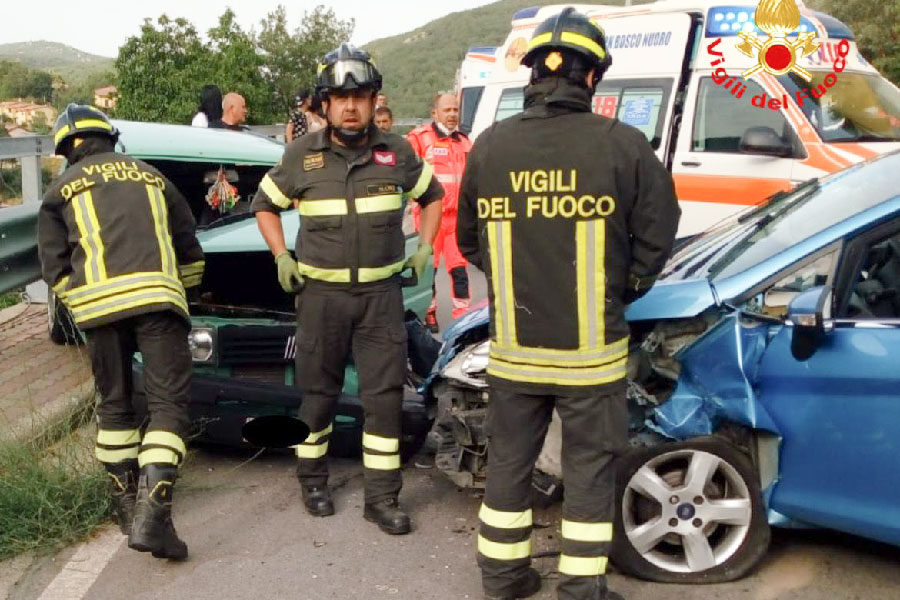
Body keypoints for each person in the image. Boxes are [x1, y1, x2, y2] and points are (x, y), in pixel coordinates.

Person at [457, 9, 680, 600]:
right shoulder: (626, 147)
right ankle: (581, 587)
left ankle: (503, 579)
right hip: (591, 357)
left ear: (533, 74)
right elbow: (659, 237)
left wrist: (519, 283)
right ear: (592, 78)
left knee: (507, 463)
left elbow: (469, 242)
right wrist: (620, 291)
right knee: (588, 469)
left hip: (513, 352)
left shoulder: (489, 147)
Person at [251, 43, 443, 536]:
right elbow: (265, 206)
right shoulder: (301, 156)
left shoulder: (397, 152)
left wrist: (425, 249)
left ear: (374, 99)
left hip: (381, 300)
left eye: (360, 96)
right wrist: (281, 256)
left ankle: (382, 498)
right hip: (320, 300)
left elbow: (434, 197)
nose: (351, 106)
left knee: (383, 399)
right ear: (324, 104)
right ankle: (312, 481)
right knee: (317, 395)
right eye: (340, 97)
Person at [38, 104, 205, 560]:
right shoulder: (153, 176)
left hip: (99, 310)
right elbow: (189, 247)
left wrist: (85, 301)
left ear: (66, 149)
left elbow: (54, 267)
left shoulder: (58, 190)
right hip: (157, 301)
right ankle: (156, 517)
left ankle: (126, 508)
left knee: (114, 406)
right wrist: (183, 294)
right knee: (168, 404)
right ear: (110, 138)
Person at [407, 93, 472, 331]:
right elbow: (404, 171)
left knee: (459, 269)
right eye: (447, 110)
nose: (452, 114)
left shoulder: (465, 142)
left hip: (457, 218)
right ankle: (429, 312)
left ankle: (463, 314)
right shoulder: (419, 139)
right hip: (429, 216)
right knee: (428, 269)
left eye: (455, 110)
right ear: (435, 113)